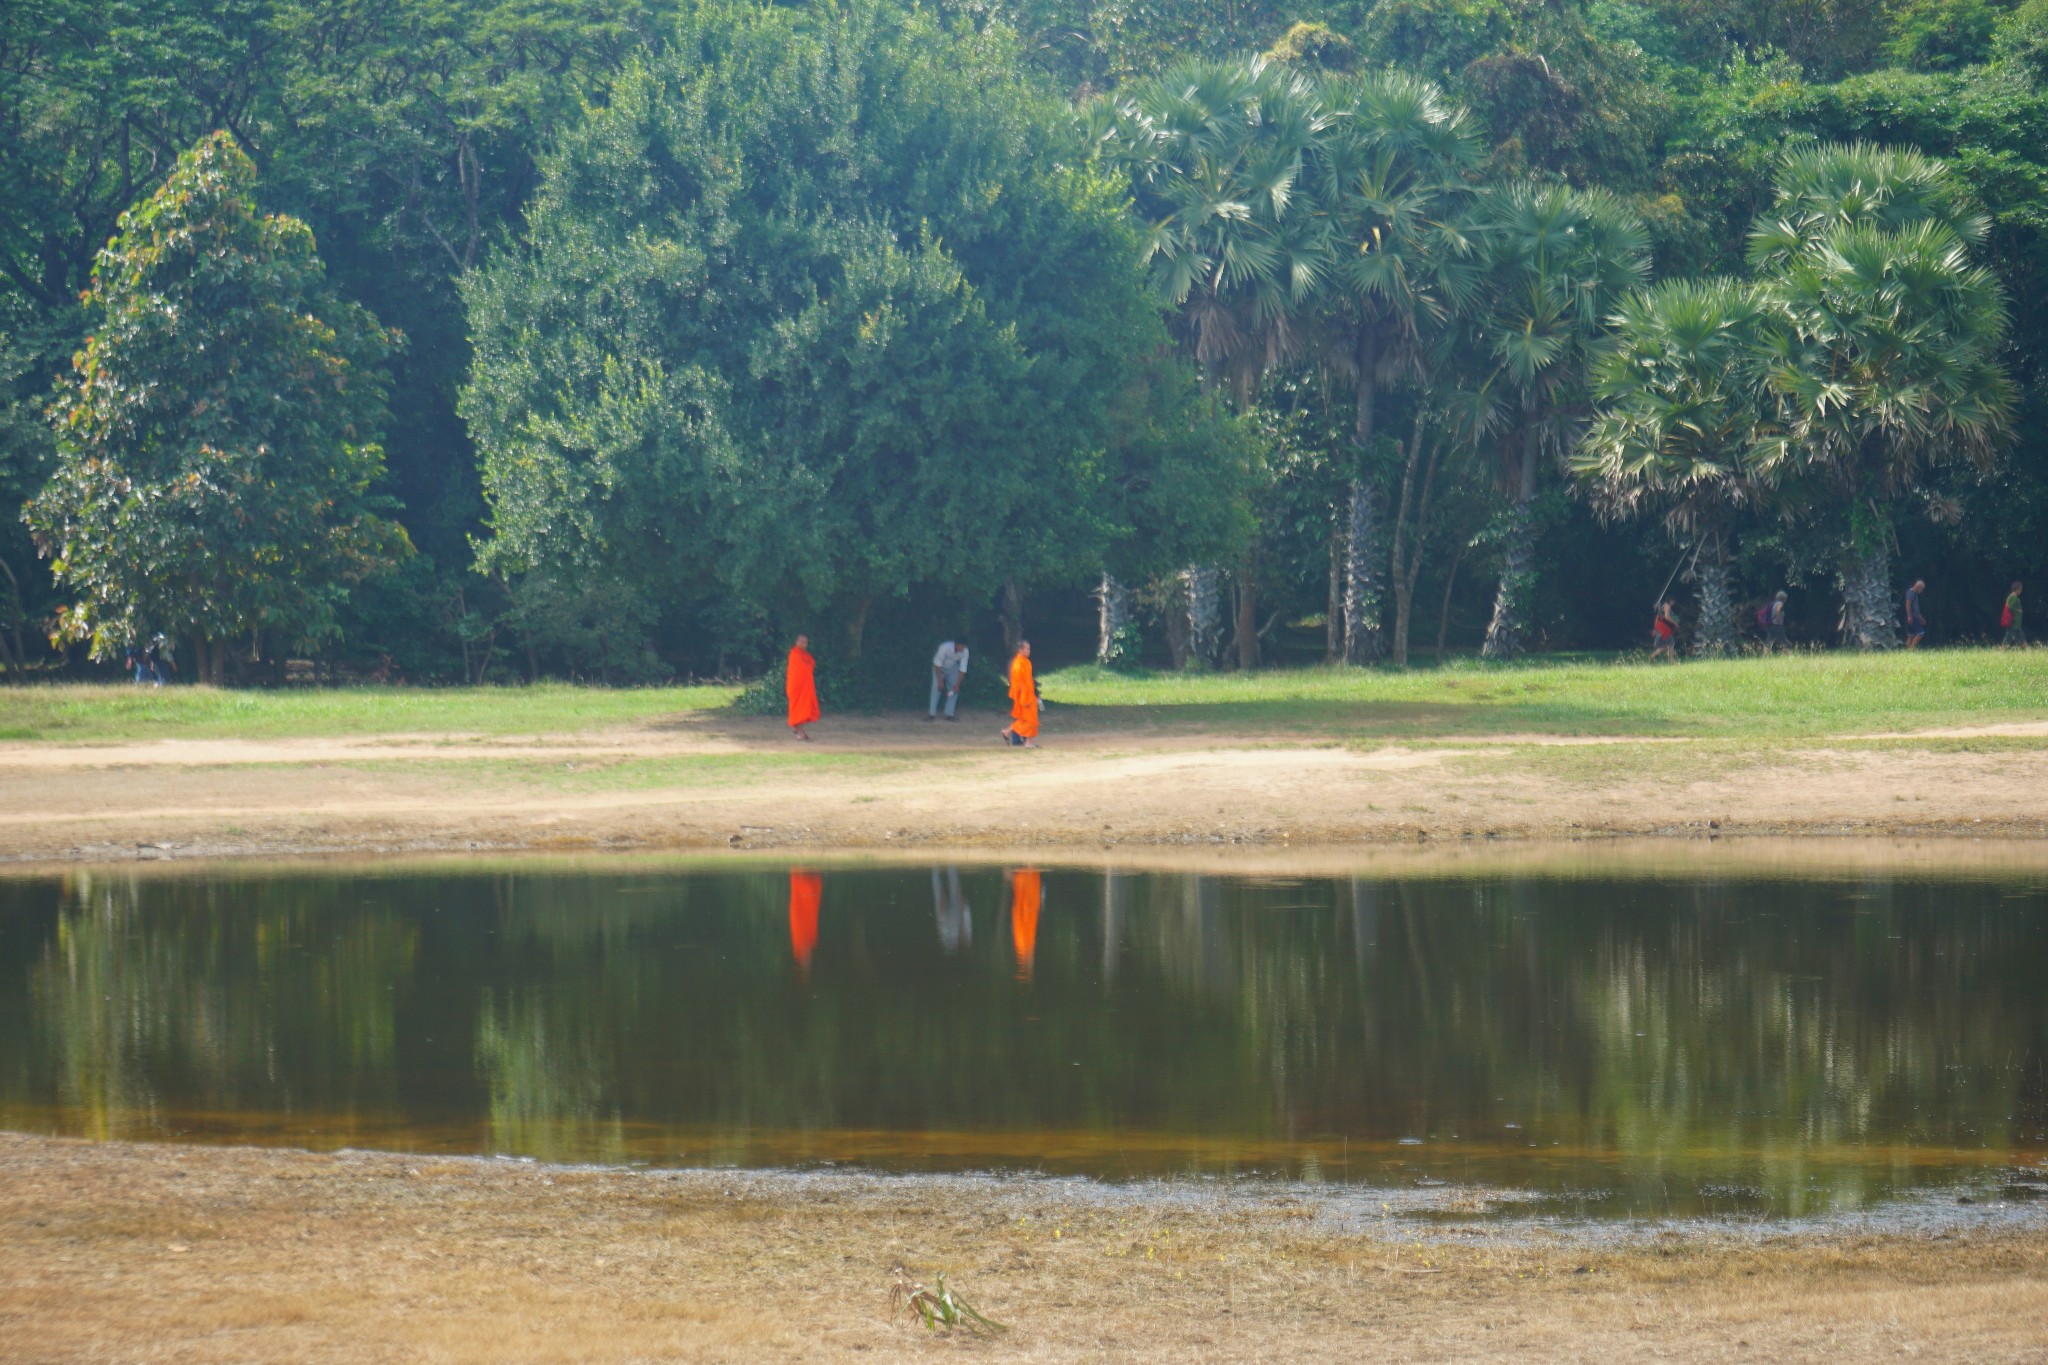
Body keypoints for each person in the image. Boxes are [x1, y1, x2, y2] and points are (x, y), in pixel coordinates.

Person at [999, 640, 1039, 748]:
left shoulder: (1026, 662)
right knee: (1029, 720)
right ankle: (1028, 742)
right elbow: (1018, 684)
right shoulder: (1018, 664)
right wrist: (1023, 697)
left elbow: (1029, 680)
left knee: (1027, 719)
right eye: (1027, 648)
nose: (1029, 651)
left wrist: (1035, 693)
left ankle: (1008, 732)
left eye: (1029, 648)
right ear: (1020, 650)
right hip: (1024, 696)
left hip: (1029, 694)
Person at [785, 634, 820, 739]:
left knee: (803, 709)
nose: (805, 645)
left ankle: (797, 730)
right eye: (802, 642)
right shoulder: (794, 654)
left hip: (804, 687)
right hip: (797, 687)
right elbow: (801, 670)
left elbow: (812, 664)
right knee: (798, 710)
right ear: (797, 642)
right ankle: (800, 732)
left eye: (806, 642)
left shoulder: (805, 654)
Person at [928, 638, 969, 722]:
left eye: (964, 647)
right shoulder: (945, 647)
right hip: (939, 669)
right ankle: (931, 714)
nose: (963, 649)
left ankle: (949, 714)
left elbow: (962, 669)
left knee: (954, 691)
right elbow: (937, 664)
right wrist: (940, 681)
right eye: (962, 646)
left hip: (952, 668)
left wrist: (957, 685)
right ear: (957, 645)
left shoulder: (965, 651)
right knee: (936, 688)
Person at [1903, 579, 1927, 648]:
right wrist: (1909, 616)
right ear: (1918, 587)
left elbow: (1916, 608)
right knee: (1920, 633)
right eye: (1922, 589)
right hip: (1912, 617)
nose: (1922, 591)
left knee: (1911, 635)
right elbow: (1908, 605)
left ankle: (1908, 653)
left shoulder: (1914, 594)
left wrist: (1921, 618)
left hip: (1914, 616)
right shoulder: (1910, 593)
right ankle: (1912, 650)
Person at [2003, 582, 2026, 647]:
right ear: (2017, 589)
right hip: (2013, 622)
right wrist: (2018, 611)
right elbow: (2010, 607)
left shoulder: (2012, 596)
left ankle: (2028, 651)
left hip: (2016, 623)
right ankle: (2002, 650)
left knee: (2021, 637)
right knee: (2008, 637)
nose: (2021, 591)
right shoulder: (2014, 597)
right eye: (2021, 589)